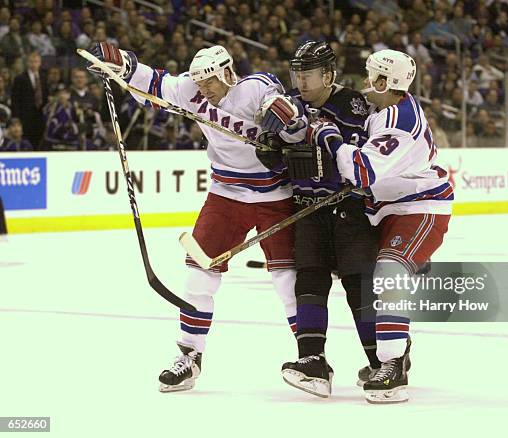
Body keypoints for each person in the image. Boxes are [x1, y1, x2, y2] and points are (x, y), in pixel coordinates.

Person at [88, 42, 301, 393]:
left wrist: (285, 117)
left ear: (228, 73)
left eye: (210, 82)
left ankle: (310, 357)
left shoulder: (254, 88)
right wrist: (120, 63)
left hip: (275, 194)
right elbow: (153, 84)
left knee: (287, 282)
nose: (204, 90)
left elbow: (282, 108)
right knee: (199, 277)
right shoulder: (191, 89)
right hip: (227, 194)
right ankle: (189, 356)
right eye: (200, 83)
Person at [306, 49, 453, 403]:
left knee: (389, 271)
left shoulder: (399, 123)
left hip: (417, 207)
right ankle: (396, 350)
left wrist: (331, 138)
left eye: (371, 74)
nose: (364, 80)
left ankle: (392, 367)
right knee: (360, 273)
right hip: (383, 210)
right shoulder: (382, 108)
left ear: (385, 81)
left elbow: (361, 171)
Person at [257, 41, 381, 398]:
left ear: (328, 75)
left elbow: (353, 153)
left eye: (307, 74)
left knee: (358, 287)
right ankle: (313, 361)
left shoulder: (353, 104)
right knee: (308, 282)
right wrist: (271, 148)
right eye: (296, 73)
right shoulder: (292, 105)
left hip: (350, 209)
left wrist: (312, 131)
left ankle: (381, 361)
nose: (300, 81)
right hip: (307, 210)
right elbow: (279, 161)